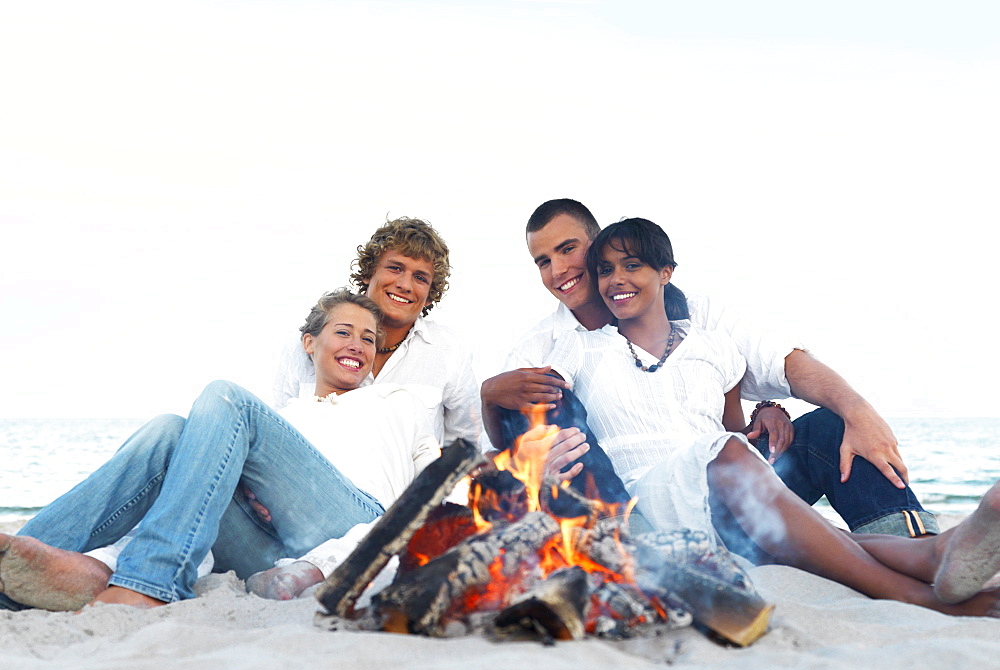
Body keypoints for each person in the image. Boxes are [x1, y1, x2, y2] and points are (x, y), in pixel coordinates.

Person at [541, 217, 999, 616]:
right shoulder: (580, 346)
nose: (616, 279)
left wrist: (768, 412)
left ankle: (935, 553)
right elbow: (527, 410)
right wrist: (494, 399)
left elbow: (730, 429)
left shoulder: (712, 346)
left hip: (718, 493)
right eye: (605, 270)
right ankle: (918, 591)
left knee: (777, 468)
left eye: (631, 265)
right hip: (650, 498)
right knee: (732, 461)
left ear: (666, 272)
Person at [481, 199, 937, 538]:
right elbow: (507, 453)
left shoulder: (695, 319)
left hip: (734, 486)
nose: (559, 269)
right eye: (543, 261)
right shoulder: (546, 350)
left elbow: (782, 363)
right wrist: (496, 406)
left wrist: (858, 412)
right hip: (639, 507)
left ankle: (911, 543)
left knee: (832, 427)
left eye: (568, 249)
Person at [0, 290, 440, 611]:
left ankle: (153, 580)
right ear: (310, 342)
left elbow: (434, 498)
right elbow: (194, 500)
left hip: (349, 522)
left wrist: (327, 562)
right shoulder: (284, 418)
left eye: (368, 339)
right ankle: (27, 548)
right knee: (169, 430)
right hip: (261, 552)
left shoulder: (401, 403)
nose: (357, 346)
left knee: (223, 396)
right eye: (343, 332)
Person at [273, 217, 480, 446]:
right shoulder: (310, 340)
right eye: (395, 268)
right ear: (368, 273)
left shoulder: (449, 352)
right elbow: (280, 436)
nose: (405, 285)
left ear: (430, 296)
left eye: (420, 278)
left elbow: (466, 446)